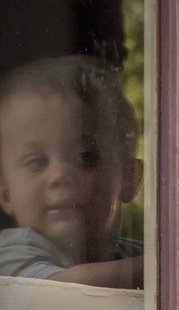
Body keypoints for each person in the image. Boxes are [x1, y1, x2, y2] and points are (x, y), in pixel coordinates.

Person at [0, 56, 143, 289]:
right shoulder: (10, 252)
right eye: (36, 161)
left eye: (86, 157)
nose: (59, 175)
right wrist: (173, 265)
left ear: (129, 177)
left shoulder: (134, 255)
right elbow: (58, 291)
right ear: (6, 192)